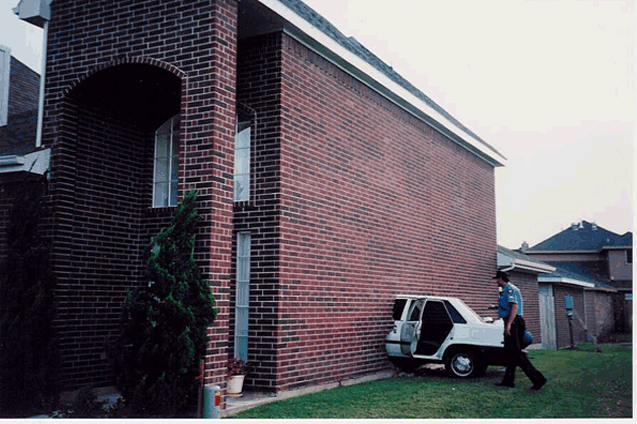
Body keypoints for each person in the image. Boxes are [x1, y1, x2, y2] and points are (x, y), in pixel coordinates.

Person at [492, 270, 547, 390]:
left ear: (501, 279)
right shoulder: (505, 291)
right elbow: (507, 306)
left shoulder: (511, 289)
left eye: (497, 279)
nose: (496, 281)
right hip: (511, 321)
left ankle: (538, 379)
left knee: (516, 353)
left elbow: (514, 307)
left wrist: (508, 325)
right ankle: (508, 381)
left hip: (514, 322)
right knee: (510, 353)